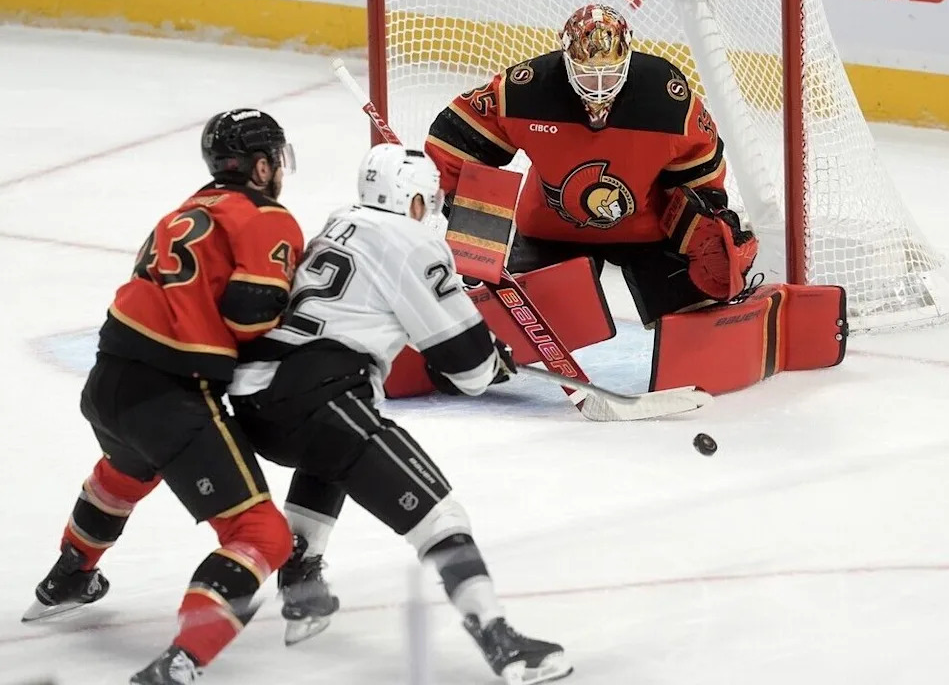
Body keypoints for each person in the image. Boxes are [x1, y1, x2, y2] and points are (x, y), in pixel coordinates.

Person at [227, 144, 573, 685]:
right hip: (319, 396)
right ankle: (502, 643)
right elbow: (470, 372)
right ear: (412, 200)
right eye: (429, 198)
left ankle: (301, 586)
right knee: (441, 517)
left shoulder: (338, 224)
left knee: (333, 449)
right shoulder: (415, 243)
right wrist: (494, 364)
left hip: (253, 397)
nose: (432, 207)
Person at [22, 109, 304, 685]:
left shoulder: (183, 212)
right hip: (170, 396)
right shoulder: (267, 217)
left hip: (107, 383)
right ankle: (181, 660)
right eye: (273, 158)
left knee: (127, 468)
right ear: (260, 165)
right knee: (263, 536)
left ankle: (69, 575)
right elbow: (250, 314)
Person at [425, 3, 758, 326]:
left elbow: (700, 169)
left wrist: (712, 222)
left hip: (649, 236)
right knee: (525, 324)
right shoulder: (526, 90)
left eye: (609, 74)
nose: (599, 87)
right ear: (565, 61)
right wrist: (473, 231)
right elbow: (454, 141)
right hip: (550, 232)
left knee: (696, 319)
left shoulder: (666, 98)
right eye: (587, 75)